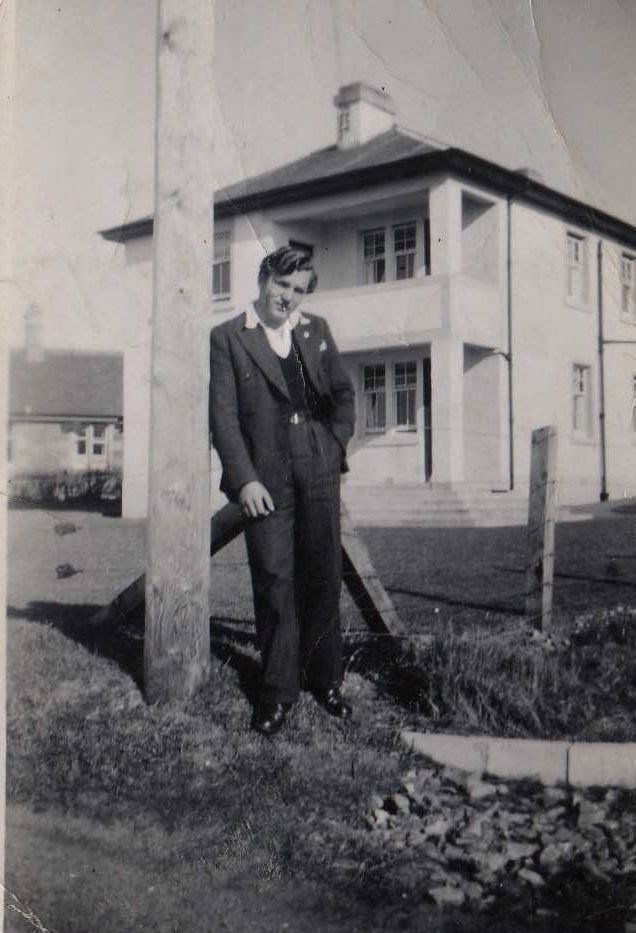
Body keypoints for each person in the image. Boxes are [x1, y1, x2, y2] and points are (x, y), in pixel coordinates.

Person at [209, 246, 355, 736]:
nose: (288, 298)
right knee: (274, 578)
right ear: (263, 278)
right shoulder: (229, 337)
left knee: (322, 573)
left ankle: (327, 679)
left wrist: (333, 445)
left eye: (298, 290)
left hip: (317, 462)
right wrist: (245, 478)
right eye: (282, 285)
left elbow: (343, 395)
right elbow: (224, 418)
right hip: (265, 473)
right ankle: (277, 692)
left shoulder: (315, 332)